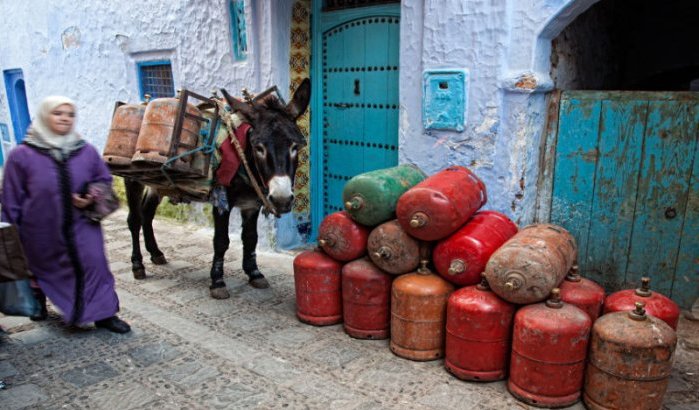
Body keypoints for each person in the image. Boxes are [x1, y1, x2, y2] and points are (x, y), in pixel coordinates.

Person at [1, 96, 130, 333]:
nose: (64, 118)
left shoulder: (85, 151)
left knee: (95, 265)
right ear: (44, 116)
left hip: (83, 224)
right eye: (58, 113)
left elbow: (103, 179)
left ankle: (105, 314)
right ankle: (39, 301)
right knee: (41, 268)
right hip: (39, 229)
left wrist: (91, 197)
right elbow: (11, 197)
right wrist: (11, 234)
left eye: (70, 114)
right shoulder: (21, 156)